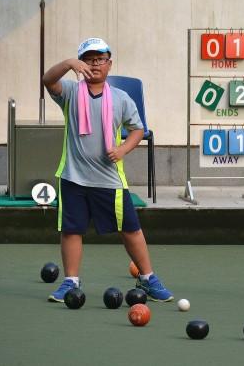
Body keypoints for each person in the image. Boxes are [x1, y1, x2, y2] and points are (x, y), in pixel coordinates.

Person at [43, 37, 173, 303]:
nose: (94, 64)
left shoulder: (120, 98)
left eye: (100, 59)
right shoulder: (69, 92)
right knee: (71, 230)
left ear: (109, 64)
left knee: (130, 228)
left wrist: (124, 149)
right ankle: (70, 281)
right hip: (73, 177)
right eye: (89, 59)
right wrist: (68, 64)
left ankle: (148, 278)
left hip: (109, 180)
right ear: (82, 63)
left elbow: (138, 130)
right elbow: (48, 80)